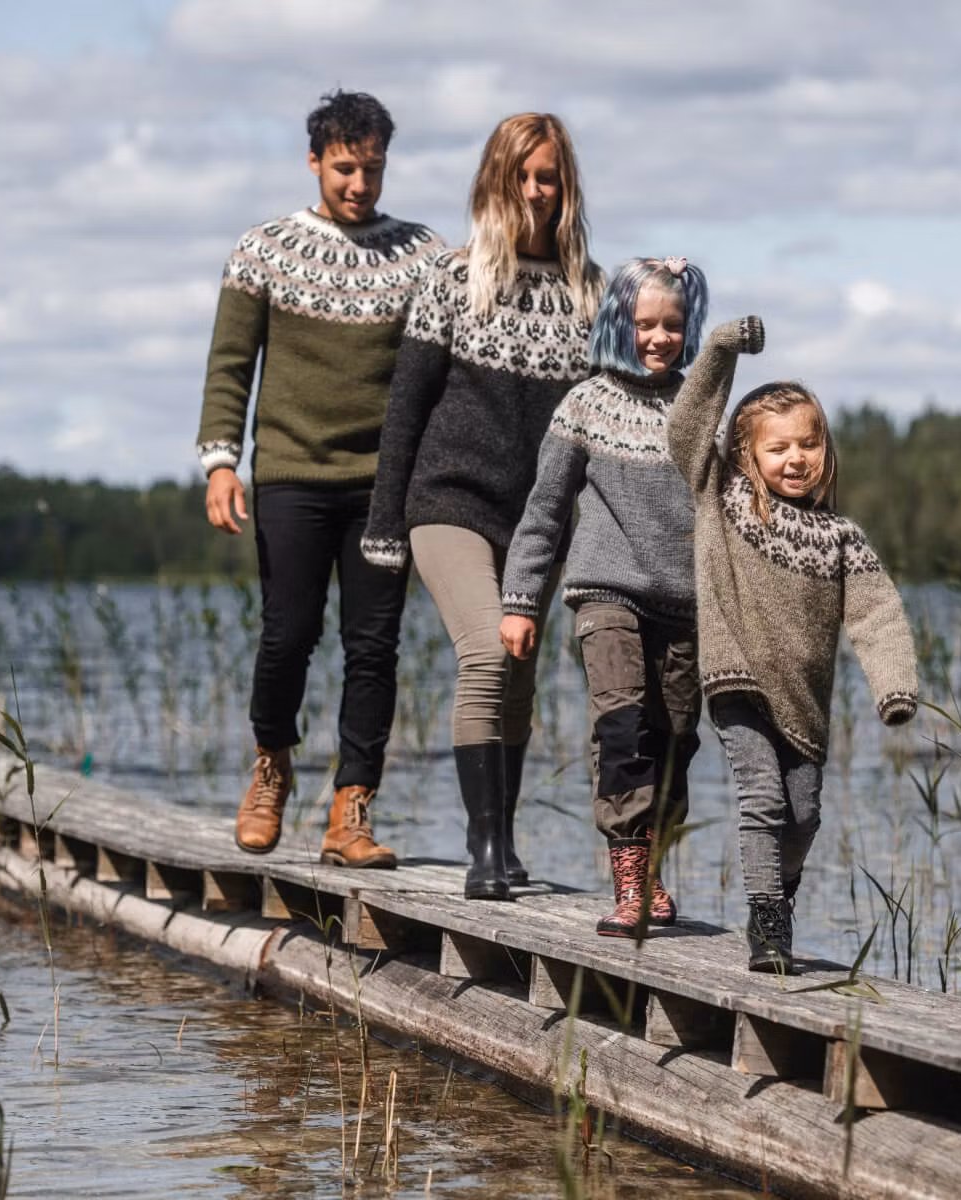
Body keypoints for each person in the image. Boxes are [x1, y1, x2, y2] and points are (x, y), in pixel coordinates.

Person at [195, 90, 444, 867]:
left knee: (373, 647)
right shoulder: (264, 248)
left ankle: (351, 811)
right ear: (314, 161)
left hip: (382, 486)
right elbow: (231, 364)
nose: (360, 185)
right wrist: (220, 462)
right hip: (291, 476)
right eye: (345, 168)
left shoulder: (424, 256)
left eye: (372, 169)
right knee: (287, 636)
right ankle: (271, 765)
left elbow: (449, 369)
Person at [363, 113, 603, 901]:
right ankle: (485, 844)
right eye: (526, 176)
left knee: (522, 677)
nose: (539, 193)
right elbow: (407, 407)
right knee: (487, 655)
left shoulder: (589, 295)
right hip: (449, 502)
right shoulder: (452, 278)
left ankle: (503, 835)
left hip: (537, 522)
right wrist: (384, 522)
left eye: (552, 179)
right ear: (498, 182)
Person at [666, 316, 919, 972]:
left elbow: (878, 613)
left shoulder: (841, 537)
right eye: (778, 448)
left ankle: (776, 894)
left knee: (802, 818)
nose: (795, 458)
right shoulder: (723, 499)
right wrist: (721, 349)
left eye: (808, 444)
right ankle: (769, 926)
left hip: (804, 707)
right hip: (736, 681)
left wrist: (894, 687)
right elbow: (688, 427)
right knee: (764, 798)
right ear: (748, 454)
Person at [498, 256, 709, 938]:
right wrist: (520, 600)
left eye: (671, 325)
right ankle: (627, 874)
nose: (657, 337)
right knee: (620, 726)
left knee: (675, 737)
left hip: (685, 602)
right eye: (644, 323)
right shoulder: (585, 404)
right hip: (605, 592)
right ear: (619, 323)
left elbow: (730, 511)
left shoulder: (701, 407)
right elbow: (544, 509)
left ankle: (652, 864)